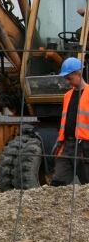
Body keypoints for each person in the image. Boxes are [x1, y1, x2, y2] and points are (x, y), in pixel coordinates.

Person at [50, 57, 89, 186]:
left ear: (79, 74)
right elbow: (65, 122)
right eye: (66, 79)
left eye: (69, 78)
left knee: (87, 184)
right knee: (57, 185)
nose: (67, 82)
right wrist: (59, 141)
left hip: (85, 147)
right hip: (67, 145)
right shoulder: (67, 96)